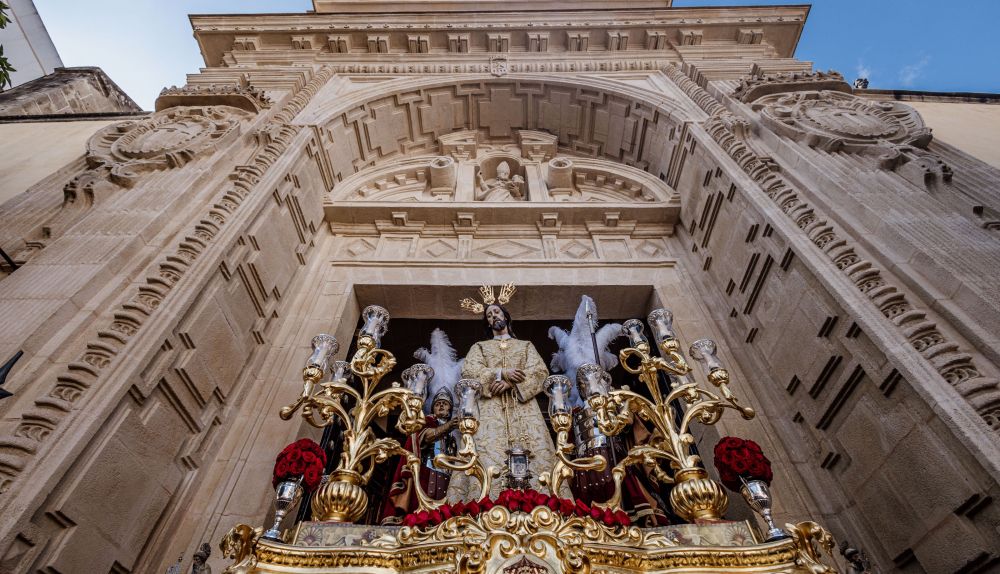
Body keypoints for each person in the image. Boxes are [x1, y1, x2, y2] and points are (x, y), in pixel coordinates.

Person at [449, 285, 568, 501]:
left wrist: (512, 385)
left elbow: (540, 372)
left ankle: (543, 502)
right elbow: (470, 371)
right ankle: (482, 503)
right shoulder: (480, 347)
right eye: (489, 315)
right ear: (487, 322)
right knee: (485, 456)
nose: (493, 316)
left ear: (505, 316)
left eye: (496, 311)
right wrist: (501, 373)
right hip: (489, 410)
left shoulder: (525, 346)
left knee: (539, 453)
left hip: (525, 410)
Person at [381, 388, 458, 523]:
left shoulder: (452, 436)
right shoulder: (427, 422)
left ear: (449, 410)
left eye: (444, 404)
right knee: (420, 511)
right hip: (426, 472)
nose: (440, 405)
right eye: (437, 403)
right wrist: (449, 426)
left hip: (446, 476)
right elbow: (426, 437)